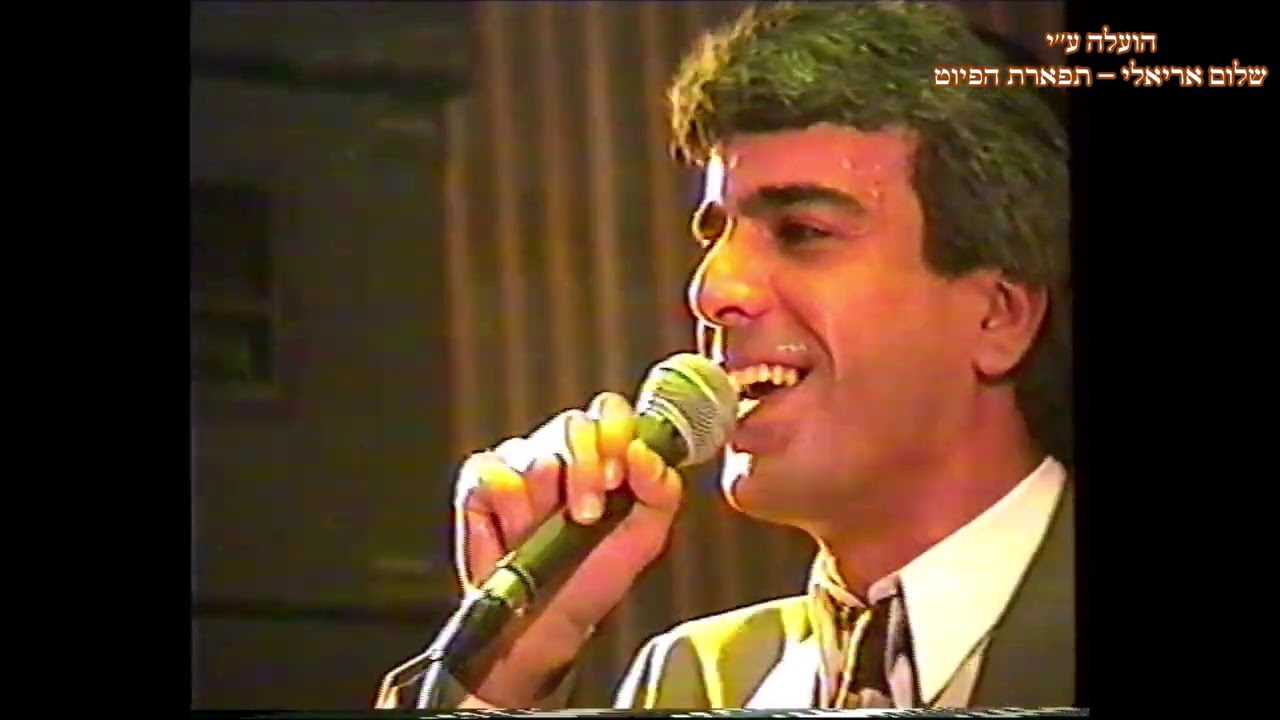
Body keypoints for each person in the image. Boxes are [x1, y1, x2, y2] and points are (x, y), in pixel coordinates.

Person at [381, 0, 1072, 709]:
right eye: (714, 236)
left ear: (999, 315)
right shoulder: (694, 678)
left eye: (801, 231)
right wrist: (509, 665)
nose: (711, 291)